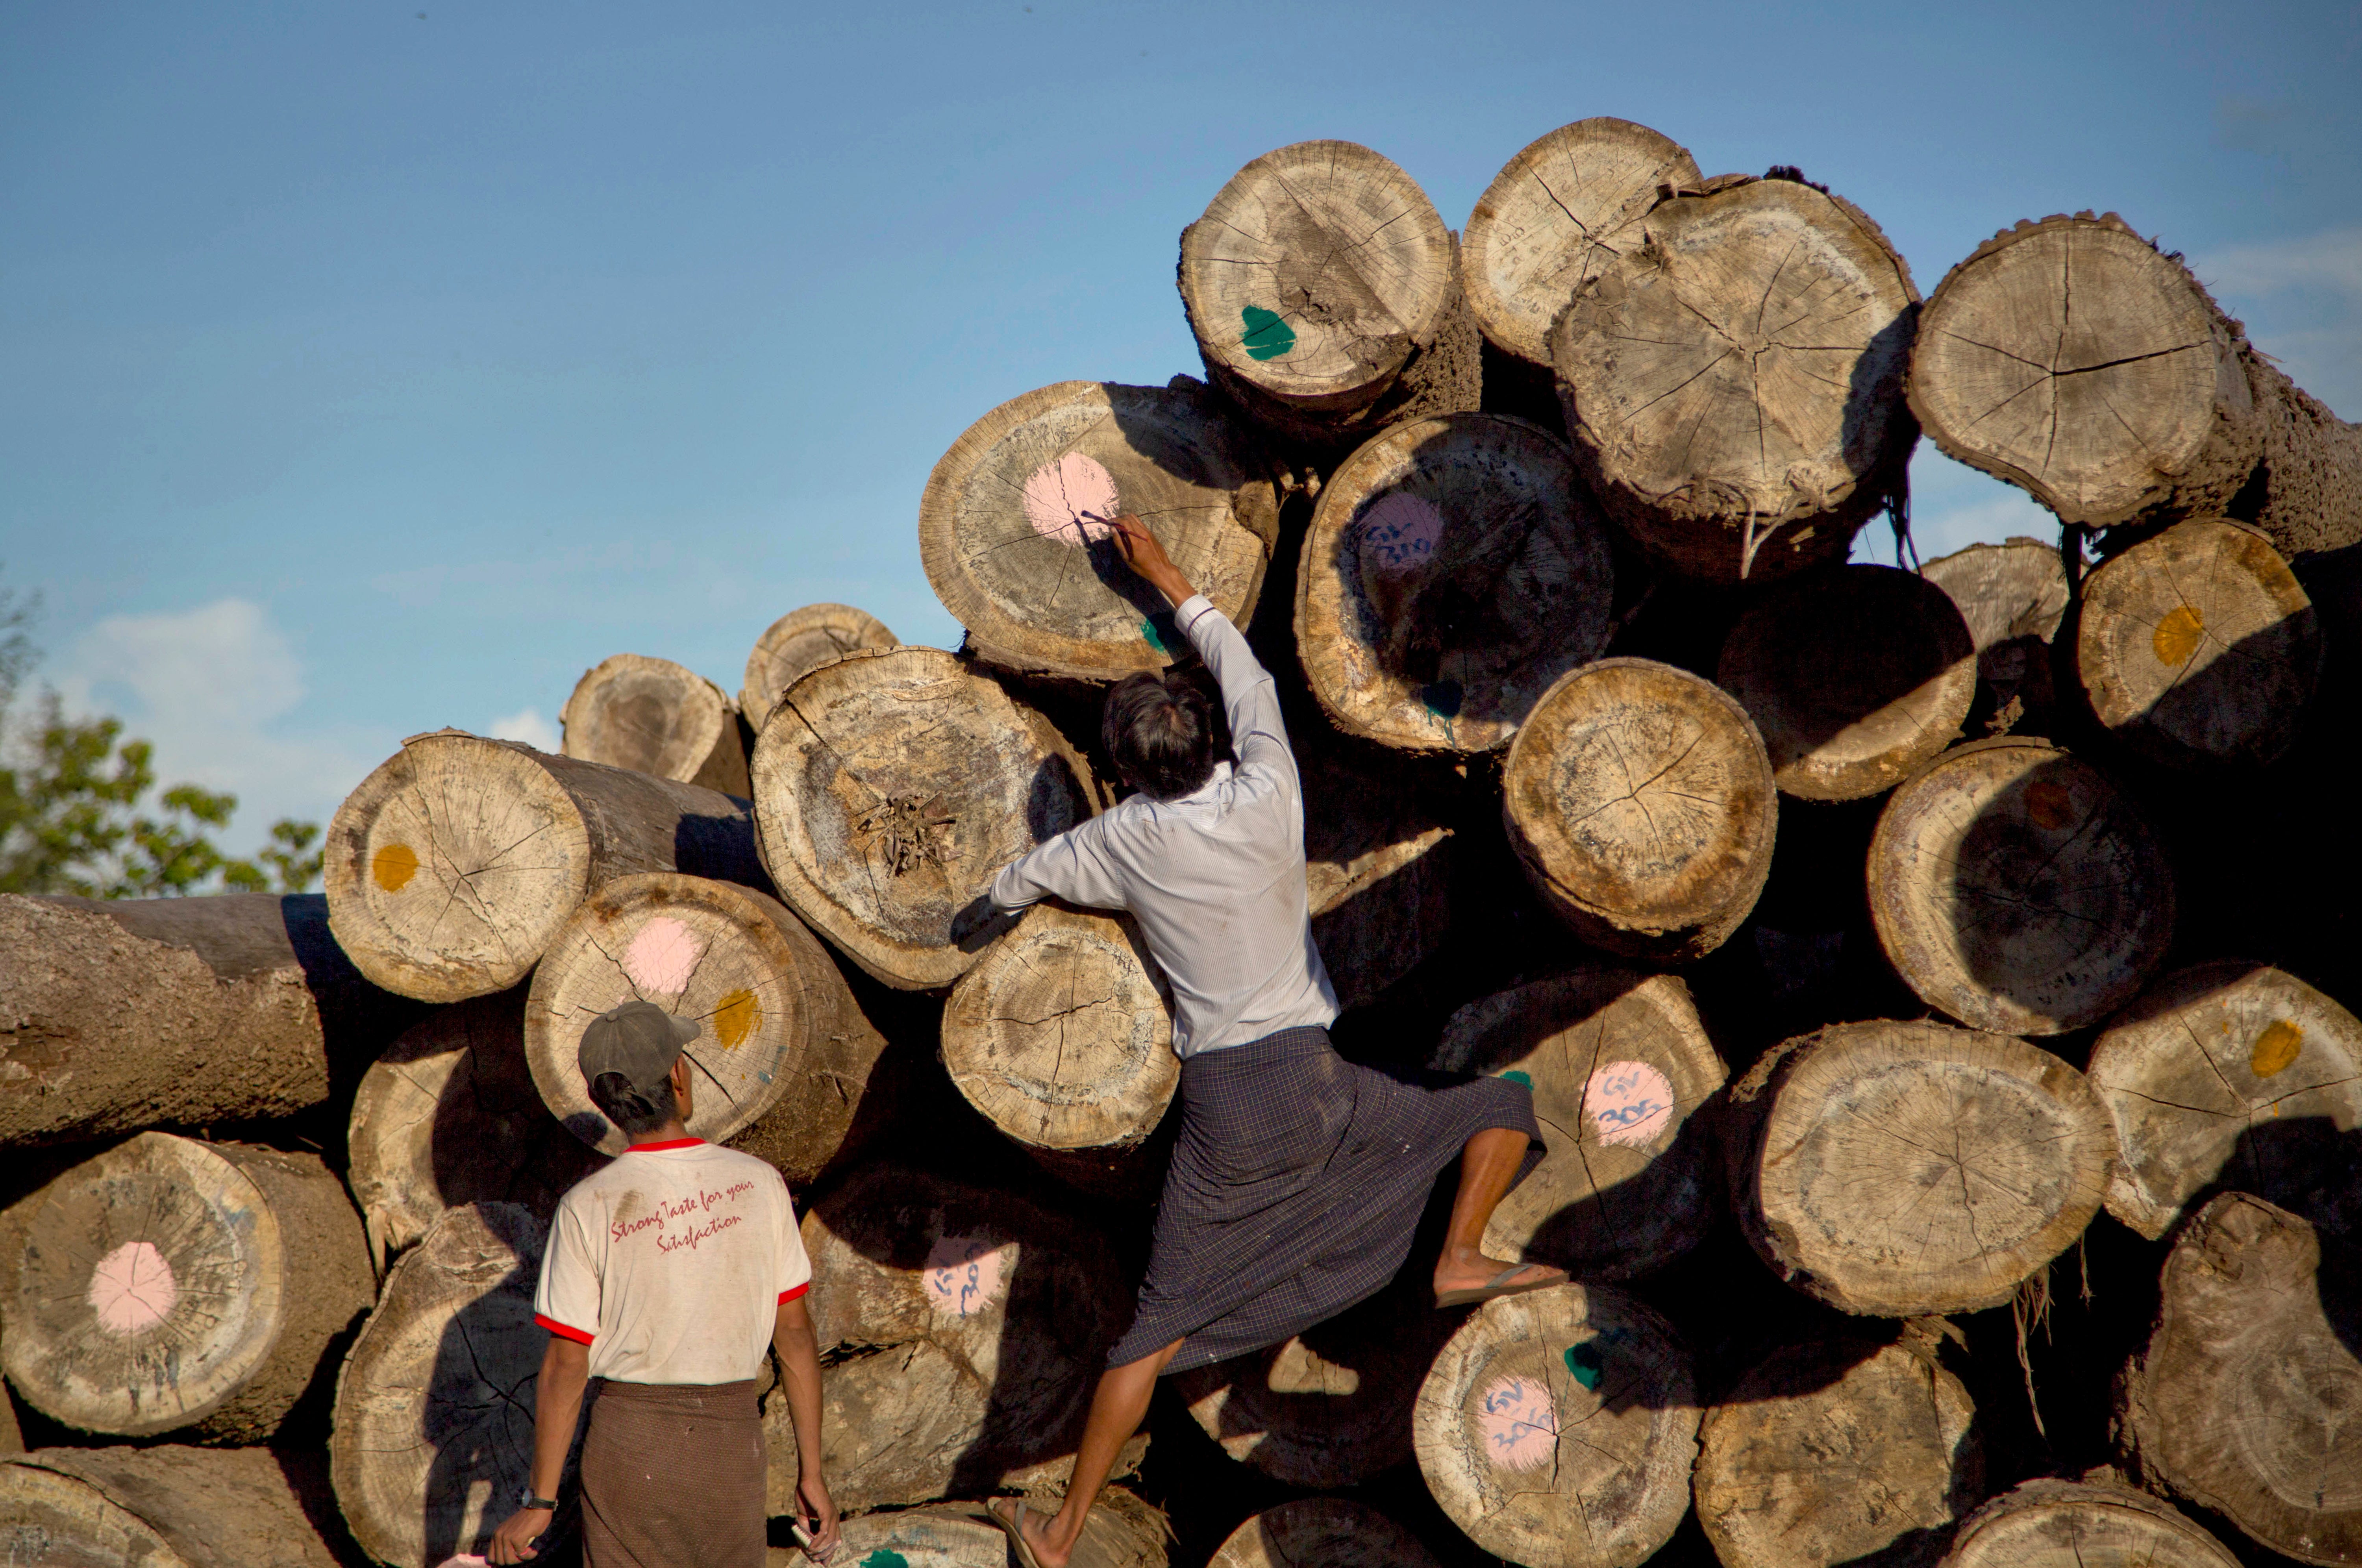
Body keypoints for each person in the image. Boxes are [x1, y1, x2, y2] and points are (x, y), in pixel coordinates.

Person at [967, 515, 1560, 1568]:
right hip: (1319, 1079)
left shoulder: (1120, 842)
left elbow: (1016, 883)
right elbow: (1244, 670)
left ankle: (1059, 1531)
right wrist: (1163, 576)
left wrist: (976, 919)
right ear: (1208, 742)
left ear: (1126, 771)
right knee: (1500, 1101)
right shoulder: (1270, 788)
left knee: (1149, 1333)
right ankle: (1462, 1254)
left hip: (1230, 1101)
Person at [487, 999, 841, 1567]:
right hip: (729, 1447)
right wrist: (812, 1473)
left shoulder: (586, 1205)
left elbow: (566, 1364)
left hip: (629, 1449)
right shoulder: (759, 1185)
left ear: (605, 1103)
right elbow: (795, 1338)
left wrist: (541, 1500)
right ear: (678, 1076)